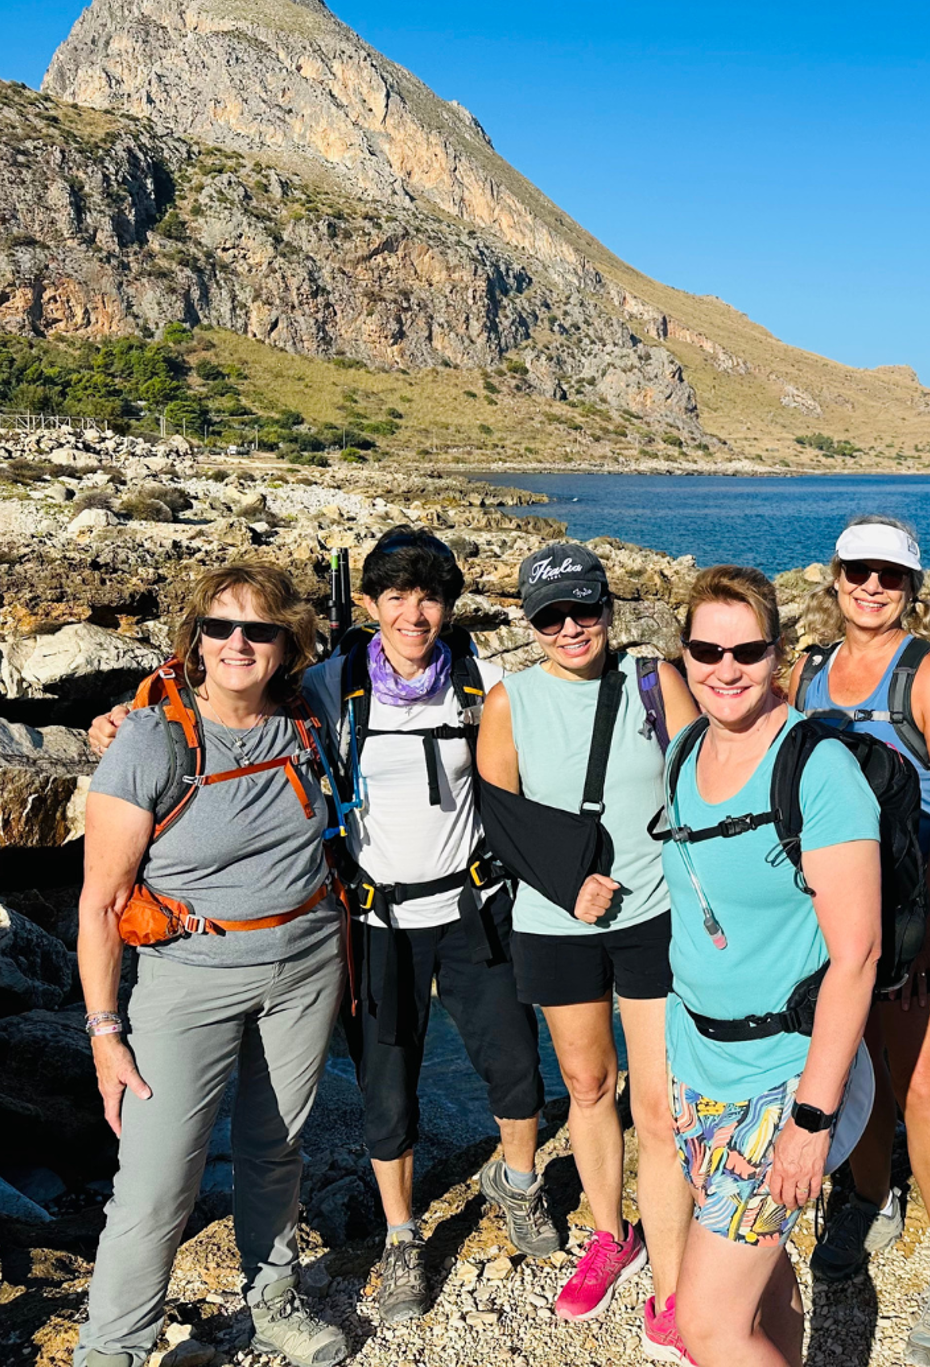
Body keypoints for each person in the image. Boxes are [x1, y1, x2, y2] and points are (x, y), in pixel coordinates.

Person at [73, 563, 349, 1367]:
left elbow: (403, 655)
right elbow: (98, 903)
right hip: (187, 976)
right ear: (193, 640)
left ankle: (273, 1304)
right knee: (158, 1177)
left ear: (287, 642)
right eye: (220, 627)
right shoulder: (152, 738)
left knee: (275, 1148)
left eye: (260, 629)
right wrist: (104, 1030)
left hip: (306, 963)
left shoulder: (309, 714)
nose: (238, 643)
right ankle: (112, 1349)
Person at [307, 529, 546, 1322]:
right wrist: (124, 723)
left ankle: (519, 1184)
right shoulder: (330, 684)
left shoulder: (484, 681)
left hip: (474, 906)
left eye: (431, 596)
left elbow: (565, 729)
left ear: (449, 604)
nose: (415, 613)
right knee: (386, 1083)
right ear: (371, 604)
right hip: (379, 919)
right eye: (398, 596)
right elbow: (236, 710)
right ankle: (403, 1236)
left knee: (513, 1062)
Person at [476, 542, 701, 1355]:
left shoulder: (653, 681)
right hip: (556, 922)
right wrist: (570, 884)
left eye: (585, 609)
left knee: (660, 1106)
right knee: (586, 1081)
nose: (572, 627)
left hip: (655, 914)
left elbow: (706, 782)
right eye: (551, 615)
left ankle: (673, 1285)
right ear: (530, 624)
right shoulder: (510, 701)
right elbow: (499, 818)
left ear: (608, 608)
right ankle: (613, 1235)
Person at [658, 565, 883, 1366]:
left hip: (783, 1078)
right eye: (706, 649)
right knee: (764, 1279)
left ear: (780, 652)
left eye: (747, 650)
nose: (726, 668)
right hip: (698, 1065)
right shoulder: (685, 751)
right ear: (682, 654)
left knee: (707, 1322)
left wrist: (812, 1123)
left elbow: (857, 956)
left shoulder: (818, 770)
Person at [795, 515, 930, 1367]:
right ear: (835, 579)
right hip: (831, 916)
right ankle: (871, 1195)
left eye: (890, 576)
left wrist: (919, 933)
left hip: (911, 914)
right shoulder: (809, 672)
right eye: (858, 572)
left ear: (912, 588)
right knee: (852, 1072)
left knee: (922, 1084)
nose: (872, 587)